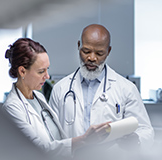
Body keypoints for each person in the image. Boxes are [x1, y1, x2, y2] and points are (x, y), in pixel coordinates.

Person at [48, 24, 154, 152]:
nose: (92, 58)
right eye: (86, 51)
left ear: (108, 51)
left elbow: (146, 130)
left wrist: (136, 139)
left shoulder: (126, 89)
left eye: (99, 53)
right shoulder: (60, 89)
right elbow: (51, 135)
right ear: (78, 46)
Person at [2, 38, 110, 158]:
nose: (47, 76)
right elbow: (38, 148)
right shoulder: (12, 108)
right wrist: (83, 140)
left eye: (47, 69)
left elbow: (57, 140)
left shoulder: (38, 96)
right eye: (41, 71)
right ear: (22, 71)